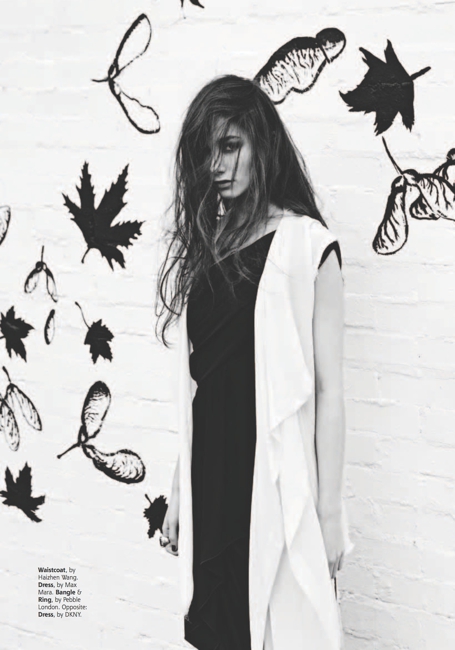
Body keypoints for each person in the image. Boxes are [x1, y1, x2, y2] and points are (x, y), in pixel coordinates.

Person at [156, 74, 353, 650]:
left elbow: (330, 390)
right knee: (217, 630)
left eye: (230, 145)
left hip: (269, 471)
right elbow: (204, 382)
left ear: (260, 142)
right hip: (211, 477)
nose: (216, 166)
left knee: (278, 627)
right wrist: (180, 488)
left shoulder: (307, 247)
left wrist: (330, 512)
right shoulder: (209, 250)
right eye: (206, 152)